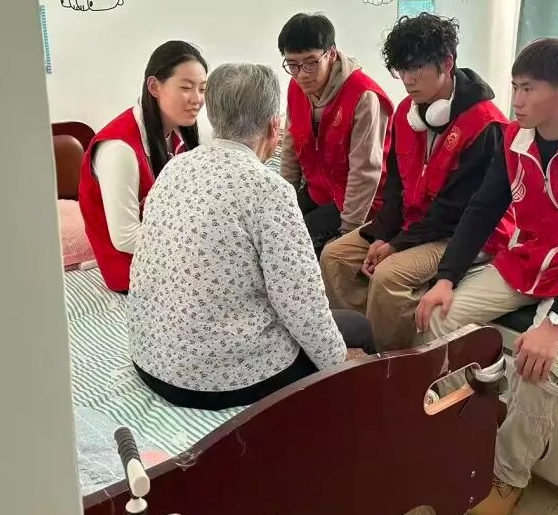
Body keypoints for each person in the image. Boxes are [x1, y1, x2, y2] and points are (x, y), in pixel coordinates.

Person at [415, 38, 558, 515]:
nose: (515, 99)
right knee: (437, 318)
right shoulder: (515, 138)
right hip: (531, 260)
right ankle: (458, 423)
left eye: (527, 89)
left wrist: (555, 323)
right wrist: (446, 278)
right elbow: (483, 208)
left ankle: (508, 475)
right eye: (514, 87)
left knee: (538, 365)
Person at [126, 63, 375, 411]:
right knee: (358, 327)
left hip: (151, 360)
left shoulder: (174, 168)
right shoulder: (268, 189)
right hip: (218, 380)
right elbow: (301, 304)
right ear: (274, 125)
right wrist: (338, 368)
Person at [320, 14, 512, 351]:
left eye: (416, 68)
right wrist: (383, 234)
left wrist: (396, 245)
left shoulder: (485, 126)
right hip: (416, 226)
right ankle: (359, 345)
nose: (407, 80)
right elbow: (395, 190)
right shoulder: (406, 113)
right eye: (401, 69)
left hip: (464, 233)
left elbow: (455, 212)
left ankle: (388, 364)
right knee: (334, 256)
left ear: (447, 63)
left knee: (389, 275)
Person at [78, 41, 208, 292]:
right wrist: (194, 247)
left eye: (202, 89)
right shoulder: (119, 148)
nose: (197, 99)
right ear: (154, 87)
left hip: (169, 255)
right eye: (186, 88)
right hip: (131, 271)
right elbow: (125, 236)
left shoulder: (181, 132)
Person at [278, 13, 394, 255]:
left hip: (356, 202)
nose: (302, 74)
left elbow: (365, 172)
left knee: (293, 246)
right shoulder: (296, 88)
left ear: (331, 54)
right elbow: (290, 147)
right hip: (319, 191)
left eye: (310, 63)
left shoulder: (362, 95)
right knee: (273, 228)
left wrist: (347, 231)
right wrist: (284, 200)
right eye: (292, 65)